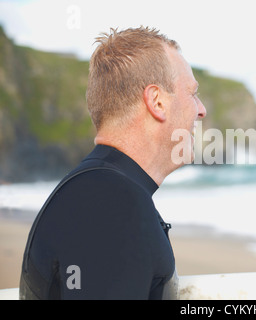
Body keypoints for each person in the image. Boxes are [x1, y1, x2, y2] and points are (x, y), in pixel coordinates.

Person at [19, 26, 207, 300]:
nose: (201, 110)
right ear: (157, 102)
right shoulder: (108, 203)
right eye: (191, 93)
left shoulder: (102, 190)